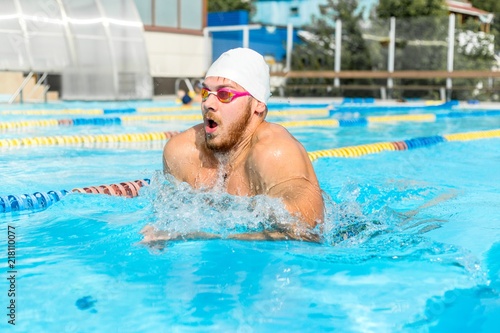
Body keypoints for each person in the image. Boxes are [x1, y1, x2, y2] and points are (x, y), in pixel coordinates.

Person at [142, 47, 324, 244]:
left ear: (258, 104)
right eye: (205, 92)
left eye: (225, 95)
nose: (208, 104)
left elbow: (308, 230)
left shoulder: (274, 153)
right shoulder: (183, 153)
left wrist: (198, 236)